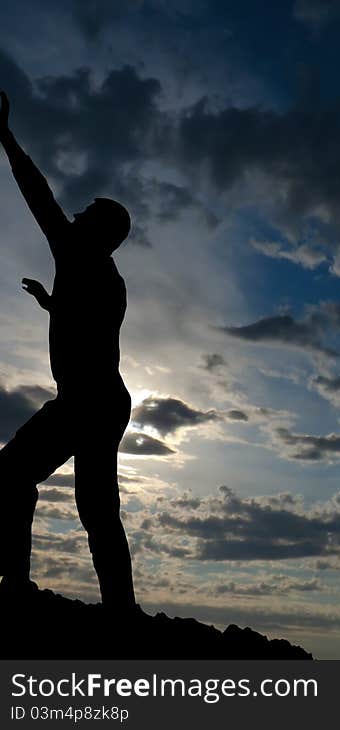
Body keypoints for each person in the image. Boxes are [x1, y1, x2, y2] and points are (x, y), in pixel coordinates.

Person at [0, 90, 136, 610]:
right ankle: (119, 611)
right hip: (103, 400)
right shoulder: (106, 276)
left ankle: (16, 588)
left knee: (12, 479)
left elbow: (38, 194)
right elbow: (92, 331)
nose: (73, 218)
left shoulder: (80, 252)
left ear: (100, 231)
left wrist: (6, 137)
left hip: (87, 400)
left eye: (84, 216)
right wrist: (52, 304)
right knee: (97, 511)